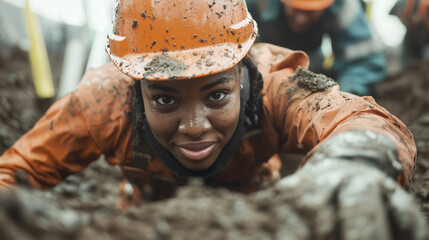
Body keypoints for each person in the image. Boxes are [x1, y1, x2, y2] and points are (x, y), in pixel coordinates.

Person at [0, 0, 427, 235]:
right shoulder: (101, 104)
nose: (195, 125)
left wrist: (351, 165)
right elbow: (12, 175)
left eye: (217, 94)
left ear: (244, 74)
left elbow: (363, 122)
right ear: (136, 89)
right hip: (143, 216)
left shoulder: (274, 86)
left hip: (260, 208)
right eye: (166, 100)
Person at [245, 0, 387, 96]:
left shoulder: (344, 5)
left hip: (313, 59)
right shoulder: (249, 4)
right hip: (261, 62)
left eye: (310, 11)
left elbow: (365, 62)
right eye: (296, 9)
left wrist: (340, 96)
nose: (301, 19)